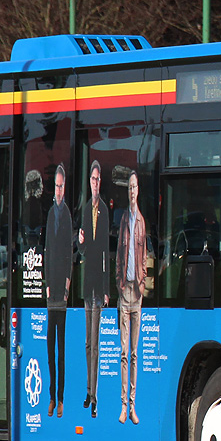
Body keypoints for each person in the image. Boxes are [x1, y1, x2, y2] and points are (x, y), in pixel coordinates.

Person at [115, 170, 147, 425]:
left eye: (135, 187)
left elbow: (144, 257)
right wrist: (119, 284)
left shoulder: (142, 221)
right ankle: (123, 406)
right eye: (129, 188)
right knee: (124, 353)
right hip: (124, 293)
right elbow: (118, 256)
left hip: (137, 294)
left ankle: (133, 405)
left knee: (135, 353)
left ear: (139, 190)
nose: (132, 191)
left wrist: (142, 286)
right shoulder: (124, 219)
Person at [78, 160, 109, 418]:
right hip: (87, 284)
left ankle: (95, 395)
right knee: (88, 343)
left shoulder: (105, 212)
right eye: (93, 179)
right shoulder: (86, 209)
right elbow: (85, 250)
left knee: (96, 343)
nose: (95, 183)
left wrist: (107, 288)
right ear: (89, 182)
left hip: (99, 285)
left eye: (98, 180)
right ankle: (88, 391)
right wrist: (80, 243)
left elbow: (105, 254)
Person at [44, 164, 73, 418]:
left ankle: (61, 399)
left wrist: (65, 287)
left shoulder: (67, 216)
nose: (59, 190)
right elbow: (47, 251)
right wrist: (47, 284)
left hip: (61, 297)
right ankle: (51, 396)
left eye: (62, 186)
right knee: (48, 347)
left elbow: (68, 254)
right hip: (50, 291)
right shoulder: (51, 213)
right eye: (56, 185)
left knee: (61, 349)